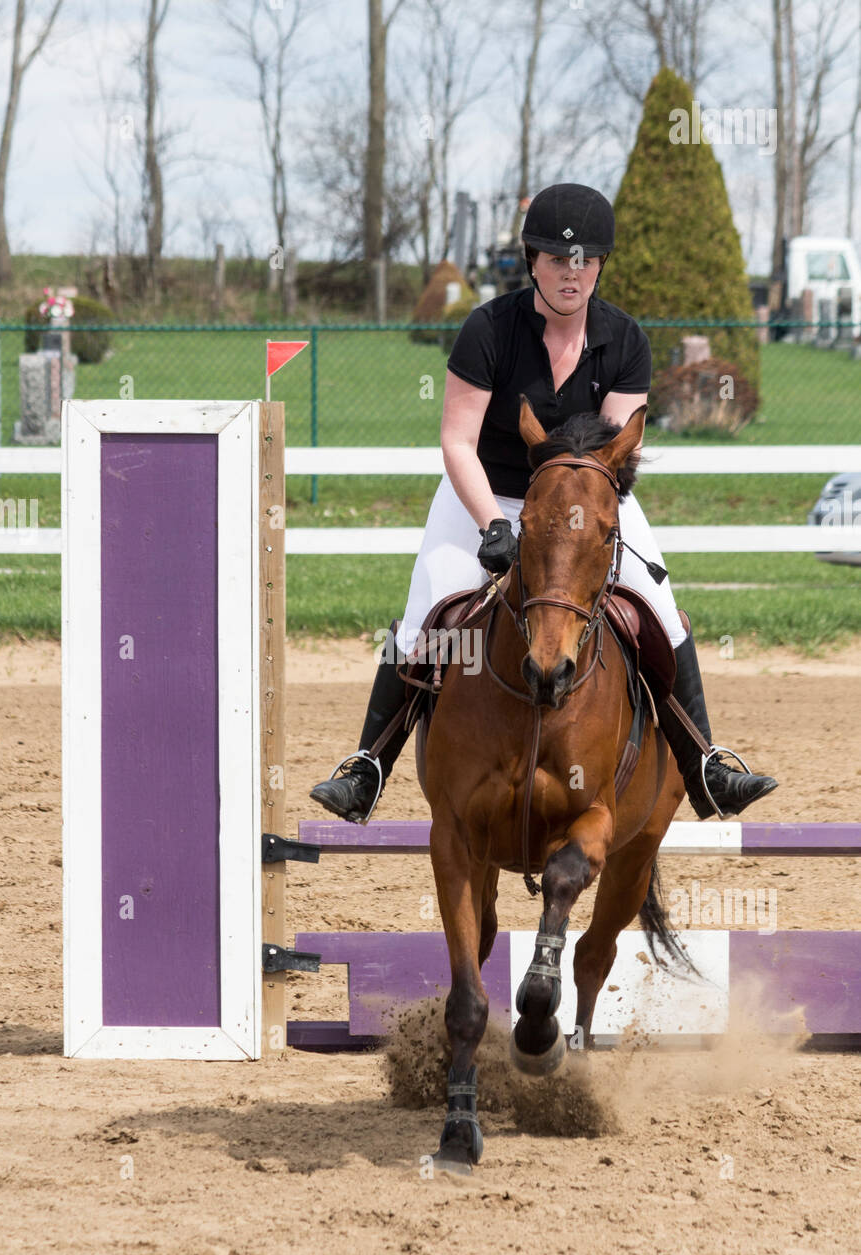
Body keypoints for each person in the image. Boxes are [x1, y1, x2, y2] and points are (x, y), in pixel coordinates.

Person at [310, 183, 777, 824]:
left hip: (588, 495)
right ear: (533, 261)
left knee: (659, 605)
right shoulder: (488, 329)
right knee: (431, 607)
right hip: (487, 488)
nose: (572, 273)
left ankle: (705, 765)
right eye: (559, 260)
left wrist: (575, 520)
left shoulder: (625, 340)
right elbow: (456, 440)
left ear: (601, 266)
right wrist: (495, 524)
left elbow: (614, 458)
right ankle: (368, 765)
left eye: (585, 260)